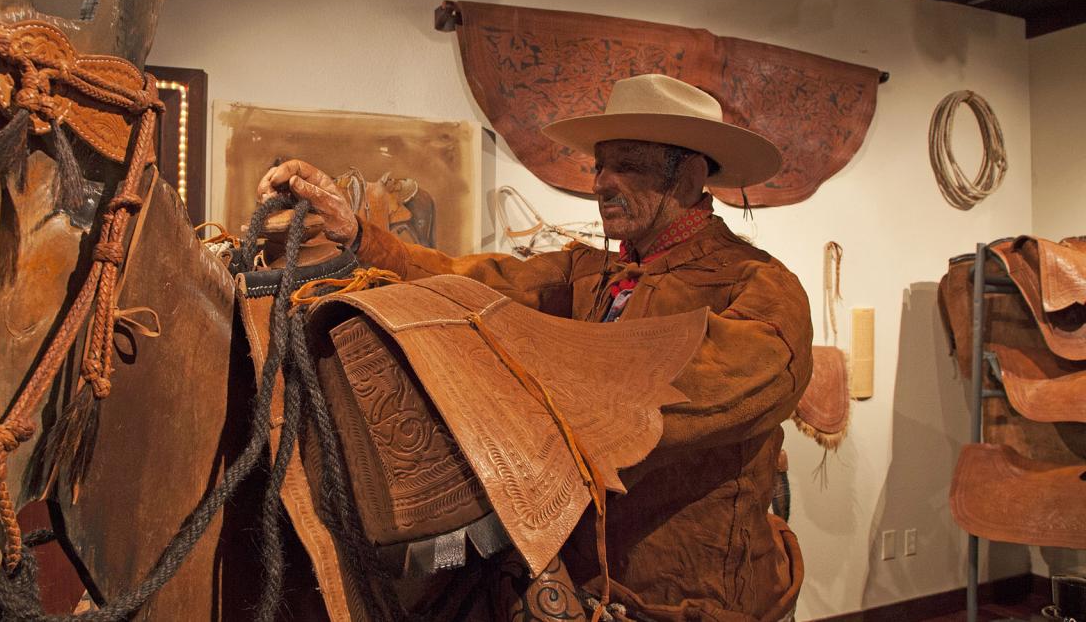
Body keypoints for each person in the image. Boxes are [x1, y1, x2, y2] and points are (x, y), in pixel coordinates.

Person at [258, 74, 812, 621]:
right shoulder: (589, 272)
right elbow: (470, 281)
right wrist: (356, 231)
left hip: (692, 599)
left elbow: (679, 398)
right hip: (583, 578)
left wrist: (531, 394)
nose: (602, 183)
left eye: (629, 165)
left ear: (690, 174)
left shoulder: (759, 289)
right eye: (600, 165)